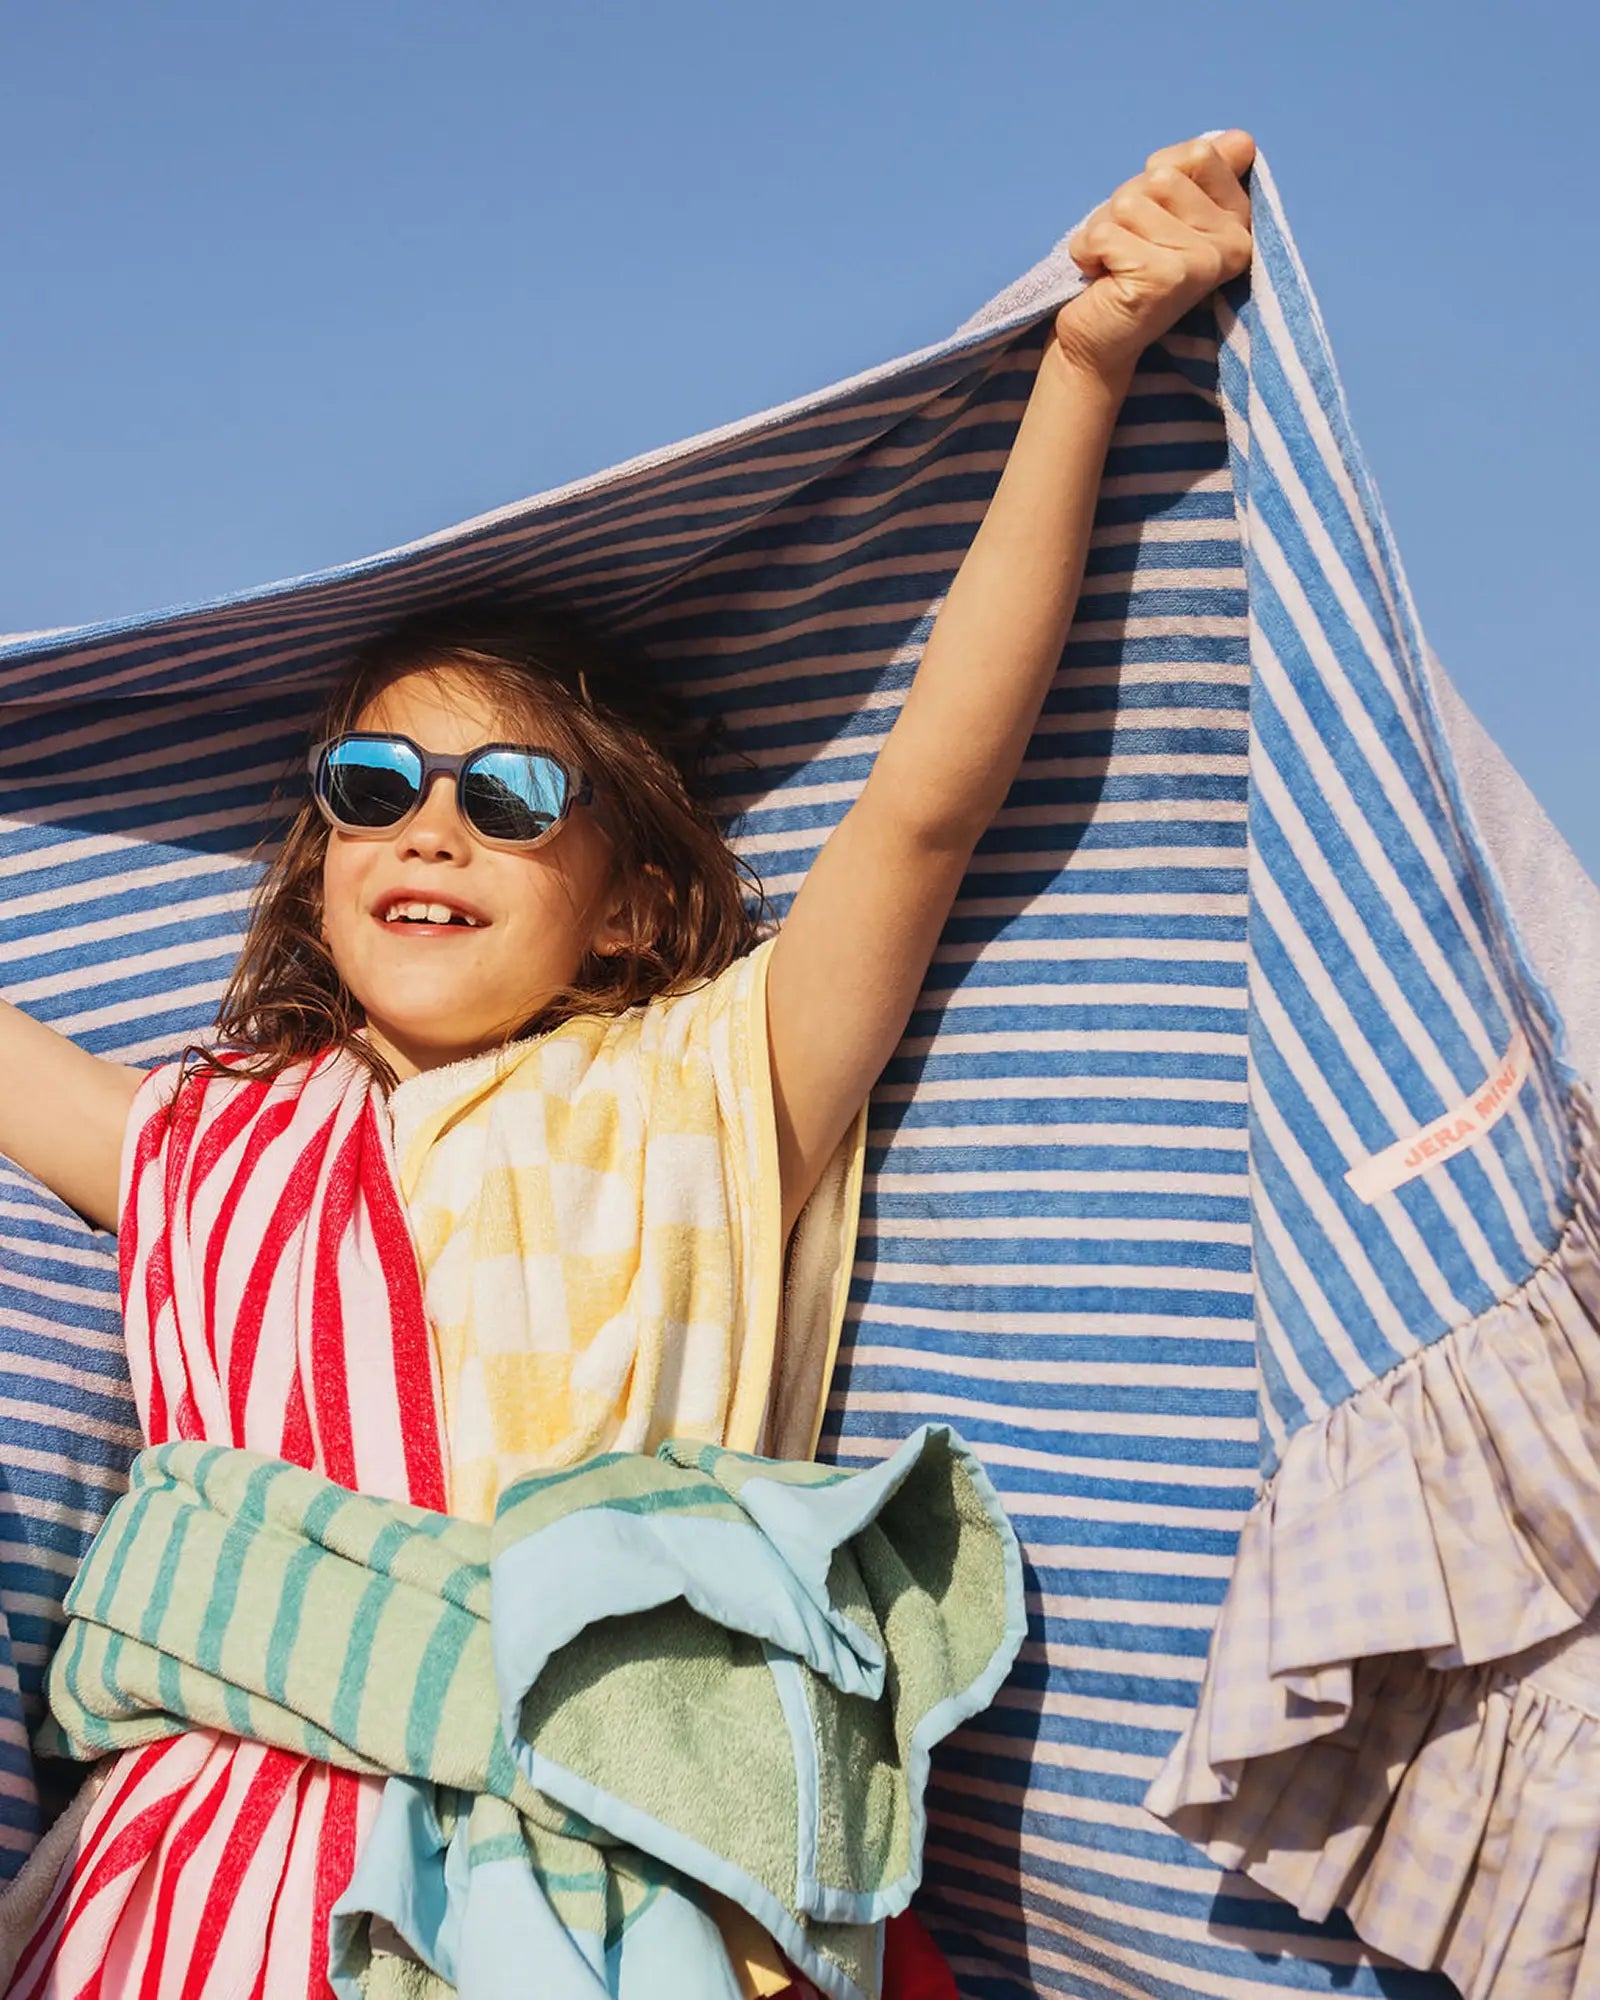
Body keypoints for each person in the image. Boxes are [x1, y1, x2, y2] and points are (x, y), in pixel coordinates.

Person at [0, 132, 1255, 1999]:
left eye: (508, 799)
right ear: (318, 864)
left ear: (624, 901)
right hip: (188, 1892)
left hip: (598, 1876)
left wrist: (1082, 375)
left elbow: (922, 810)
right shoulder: (198, 1144)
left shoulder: (708, 1087)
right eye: (369, 789)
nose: (428, 828)